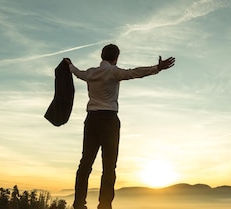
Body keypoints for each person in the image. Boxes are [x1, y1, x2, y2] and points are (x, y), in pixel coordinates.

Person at [64, 44, 175, 209]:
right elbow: (134, 73)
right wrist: (157, 68)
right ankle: (105, 205)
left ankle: (79, 203)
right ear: (116, 58)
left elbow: (77, 72)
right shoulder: (114, 72)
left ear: (102, 56)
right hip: (109, 121)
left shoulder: (91, 72)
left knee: (85, 163)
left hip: (92, 120)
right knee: (109, 166)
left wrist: (69, 64)